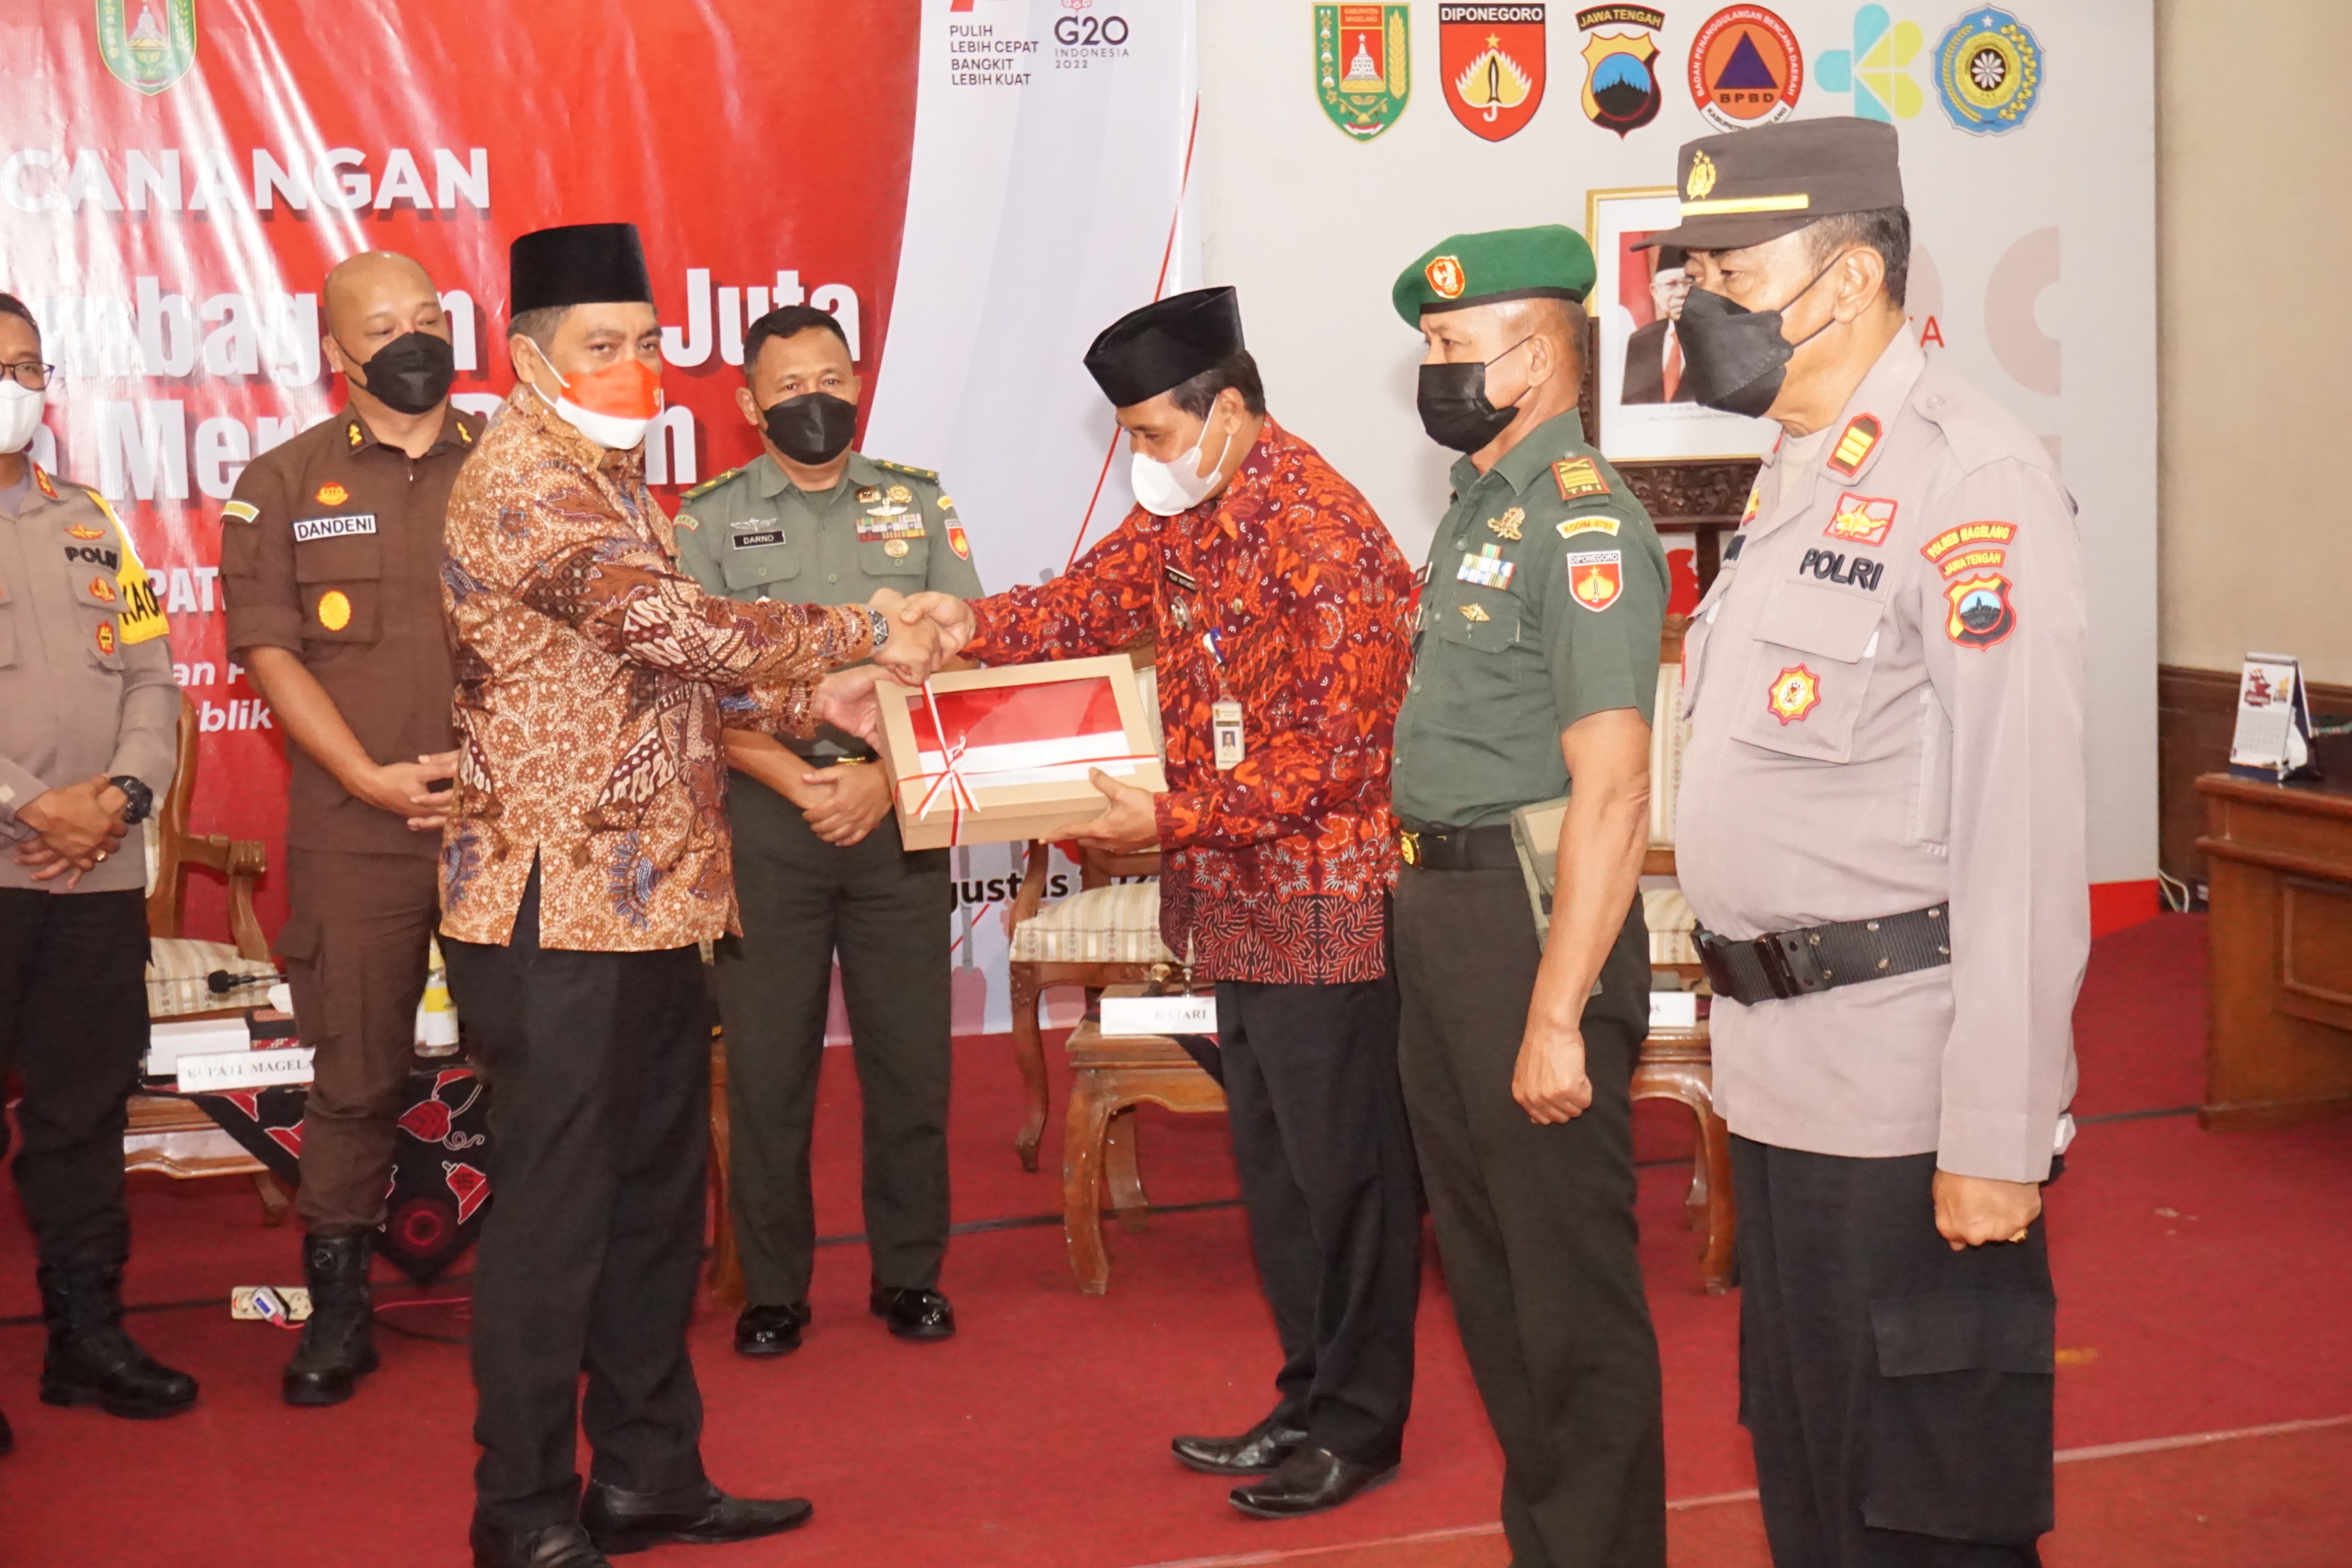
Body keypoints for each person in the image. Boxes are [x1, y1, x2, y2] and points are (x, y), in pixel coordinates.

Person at [436, 223, 945, 1568]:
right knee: (555, 1216)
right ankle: (525, 1509)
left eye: (648, 341)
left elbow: (679, 672)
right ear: (529, 356)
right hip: (553, 913)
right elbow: (670, 625)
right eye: (600, 344)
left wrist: (810, 693)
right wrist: (863, 632)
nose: (631, 364)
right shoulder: (523, 481)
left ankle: (649, 1474)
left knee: (658, 1201)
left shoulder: (616, 484)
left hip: (661, 895)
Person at [899, 287, 1422, 1520]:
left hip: (1320, 898)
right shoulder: (1201, 518)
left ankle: (1362, 1422)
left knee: (1349, 1177)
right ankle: (1306, 1395)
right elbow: (1090, 599)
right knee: (1279, 1170)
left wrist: (1167, 818)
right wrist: (963, 622)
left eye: (1148, 432)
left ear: (1227, 409)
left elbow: (1333, 758)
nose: (1141, 455)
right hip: (1233, 894)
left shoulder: (1318, 531)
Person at [1656, 116, 2086, 1568]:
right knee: (1814, 1481)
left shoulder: (1974, 478)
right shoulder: (1804, 465)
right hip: (1784, 1081)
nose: (1694, 298)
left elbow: (2018, 829)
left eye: (1728, 265)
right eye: (1690, 266)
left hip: (1910, 1097)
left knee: (1921, 1515)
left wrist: (1997, 1132)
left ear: (1843, 279)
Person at [1385, 226, 1670, 1568]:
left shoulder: (1586, 518)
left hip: (1528, 920)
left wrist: (1558, 1010)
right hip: (1442, 913)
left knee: (1568, 1285)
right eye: (1430, 347)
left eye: (1454, 346)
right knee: (1491, 1268)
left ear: (1541, 353)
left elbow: (1612, 790)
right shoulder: (1481, 504)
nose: (1434, 369)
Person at [673, 304, 983, 1357]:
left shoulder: (917, 502)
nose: (817, 400)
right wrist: (801, 784)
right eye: (791, 385)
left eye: (833, 379)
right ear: (749, 403)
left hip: (901, 814)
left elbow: (969, 664)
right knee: (768, 1067)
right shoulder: (706, 524)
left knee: (910, 1064)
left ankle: (910, 1275)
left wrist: (884, 785)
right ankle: (772, 1287)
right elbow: (694, 692)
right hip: (768, 819)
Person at [220, 250, 480, 1407]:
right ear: (338, 353)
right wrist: (370, 779)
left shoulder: (522, 470)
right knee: (355, 1077)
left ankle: (551, 1292)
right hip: (355, 823)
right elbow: (273, 653)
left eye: (430, 315)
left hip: (511, 821)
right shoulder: (280, 482)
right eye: (385, 325)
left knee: (547, 1070)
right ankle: (334, 1314)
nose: (415, 336)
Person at [0, 292, 197, 1447]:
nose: (16, 384)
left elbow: (153, 676)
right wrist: (35, 809)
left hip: (94, 879)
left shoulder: (90, 521)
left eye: (28, 364)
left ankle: (87, 1337)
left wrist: (118, 801)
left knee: (81, 1114)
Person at [1620, 243, 1693, 405]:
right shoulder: (1639, 341)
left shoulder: (1722, 340)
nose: (1681, 293)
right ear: (1655, 292)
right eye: (1671, 284)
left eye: (1689, 283)